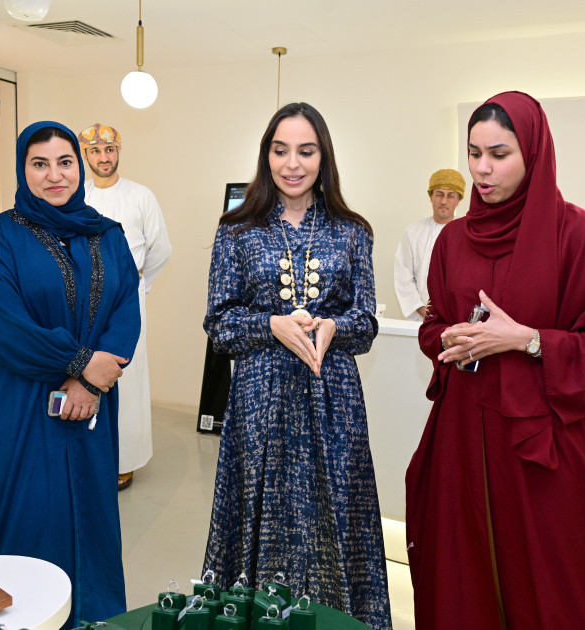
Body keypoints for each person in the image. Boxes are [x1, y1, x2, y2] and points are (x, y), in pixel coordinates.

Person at [405, 92, 585, 630]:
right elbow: (432, 325)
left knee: (556, 589)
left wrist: (528, 340)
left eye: (499, 154)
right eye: (474, 153)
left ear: (533, 154)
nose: (482, 169)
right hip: (462, 440)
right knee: (462, 580)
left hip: (541, 451)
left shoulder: (581, 237)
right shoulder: (453, 241)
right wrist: (450, 337)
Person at [202, 102, 392, 629]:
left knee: (334, 523)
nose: (292, 164)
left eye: (306, 151)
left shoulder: (352, 231)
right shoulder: (236, 230)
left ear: (323, 156)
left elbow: (365, 321)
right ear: (266, 156)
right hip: (259, 402)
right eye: (280, 150)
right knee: (261, 521)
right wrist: (271, 325)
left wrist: (334, 327)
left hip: (334, 400)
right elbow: (219, 324)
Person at [0, 121, 141, 625]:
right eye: (39, 164)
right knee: (26, 508)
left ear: (79, 167)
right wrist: (81, 364)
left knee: (91, 510)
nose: (54, 175)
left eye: (65, 162)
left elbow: (126, 309)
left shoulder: (108, 234)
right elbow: (3, 323)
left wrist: (89, 381)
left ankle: (92, 615)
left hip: (90, 405)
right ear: (22, 169)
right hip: (19, 401)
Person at [77, 122, 171, 491]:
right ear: (86, 155)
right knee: (84, 372)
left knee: (127, 378)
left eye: (109, 150)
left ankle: (124, 461)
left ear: (118, 151)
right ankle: (89, 458)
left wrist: (139, 286)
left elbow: (160, 250)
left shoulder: (140, 196)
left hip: (127, 302)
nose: (104, 157)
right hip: (83, 303)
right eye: (95, 151)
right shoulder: (78, 196)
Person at [394, 169, 465, 321]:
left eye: (450, 196)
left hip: (456, 320)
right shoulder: (413, 231)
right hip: (419, 320)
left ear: (458, 200)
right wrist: (421, 310)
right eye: (439, 194)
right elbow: (403, 276)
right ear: (431, 197)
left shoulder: (466, 233)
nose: (444, 201)